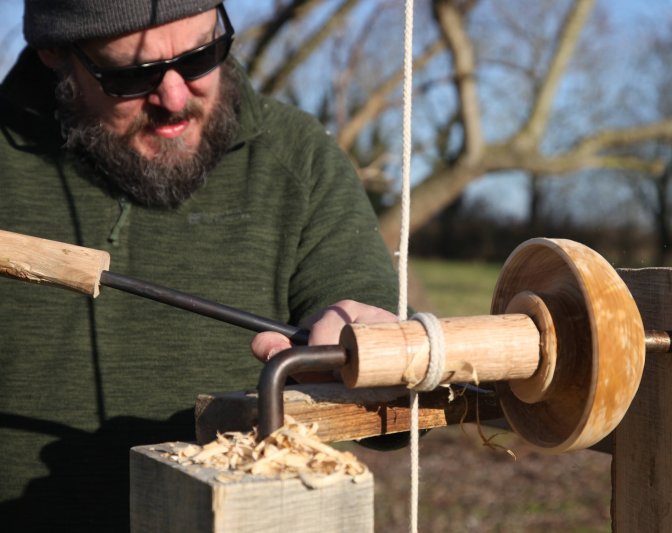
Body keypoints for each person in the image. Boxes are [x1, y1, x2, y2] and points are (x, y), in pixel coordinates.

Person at [0, 0, 399, 529]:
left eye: (200, 56)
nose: (173, 97)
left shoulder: (297, 159)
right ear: (55, 53)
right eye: (132, 75)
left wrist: (386, 353)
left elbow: (403, 414)